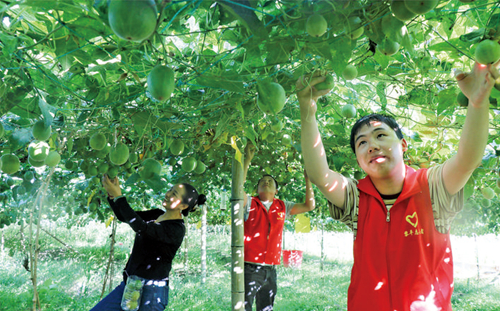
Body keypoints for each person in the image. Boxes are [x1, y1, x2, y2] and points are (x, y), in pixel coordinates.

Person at [296, 61, 498, 311]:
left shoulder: (431, 187)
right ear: (359, 160)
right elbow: (320, 175)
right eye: (362, 143)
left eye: (381, 135)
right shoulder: (356, 199)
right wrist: (307, 109)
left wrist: (477, 104)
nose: (371, 145)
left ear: (402, 145)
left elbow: (467, 160)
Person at [90, 175, 206, 311]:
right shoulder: (156, 214)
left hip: (151, 291)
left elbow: (141, 227)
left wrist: (120, 197)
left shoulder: (176, 229)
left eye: (174, 194)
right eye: (170, 190)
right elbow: (125, 216)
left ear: (183, 206)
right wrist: (112, 195)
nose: (168, 194)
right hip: (130, 284)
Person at [242, 143, 315, 311]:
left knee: (266, 308)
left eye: (270, 182)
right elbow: (238, 191)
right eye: (263, 181)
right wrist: (247, 161)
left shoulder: (282, 206)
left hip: (271, 269)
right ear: (257, 188)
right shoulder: (250, 202)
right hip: (250, 267)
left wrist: (308, 180)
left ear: (276, 191)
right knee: (244, 307)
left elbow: (309, 205)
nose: (266, 182)